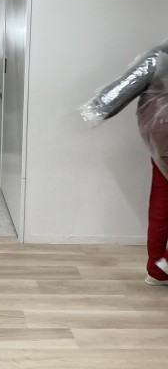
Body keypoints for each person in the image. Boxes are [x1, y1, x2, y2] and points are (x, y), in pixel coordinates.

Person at [81, 40, 168, 285]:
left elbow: (123, 87)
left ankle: (158, 271)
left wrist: (96, 109)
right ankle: (164, 266)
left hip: (162, 139)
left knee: (162, 199)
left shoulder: (160, 55)